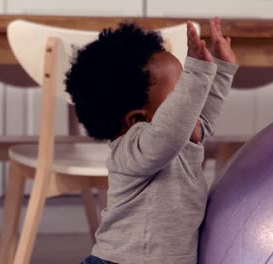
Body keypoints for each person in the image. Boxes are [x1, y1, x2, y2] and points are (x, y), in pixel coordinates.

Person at [65, 17, 238, 264]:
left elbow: (202, 121)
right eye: (180, 92)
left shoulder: (178, 134)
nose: (189, 99)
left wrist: (221, 68)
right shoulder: (133, 148)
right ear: (137, 119)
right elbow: (168, 135)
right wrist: (196, 75)